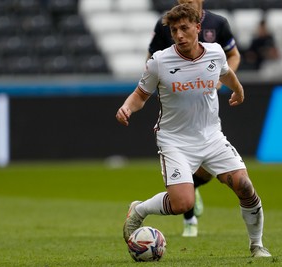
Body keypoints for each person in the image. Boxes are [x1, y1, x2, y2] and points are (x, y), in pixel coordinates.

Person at [116, 4, 271, 258]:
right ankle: (140, 210)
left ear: (198, 28)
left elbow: (226, 72)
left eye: (185, 28)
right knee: (183, 203)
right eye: (175, 30)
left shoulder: (215, 52)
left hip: (211, 137)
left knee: (244, 185)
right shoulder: (159, 62)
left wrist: (238, 89)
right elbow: (140, 95)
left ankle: (257, 245)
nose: (179, 35)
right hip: (174, 141)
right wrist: (127, 108)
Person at [147, 0, 241, 237]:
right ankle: (189, 218)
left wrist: (221, 79)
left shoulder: (218, 23)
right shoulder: (165, 24)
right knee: (184, 176)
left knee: (207, 170)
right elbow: (151, 59)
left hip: (206, 104)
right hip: (177, 104)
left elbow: (233, 56)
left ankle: (191, 188)